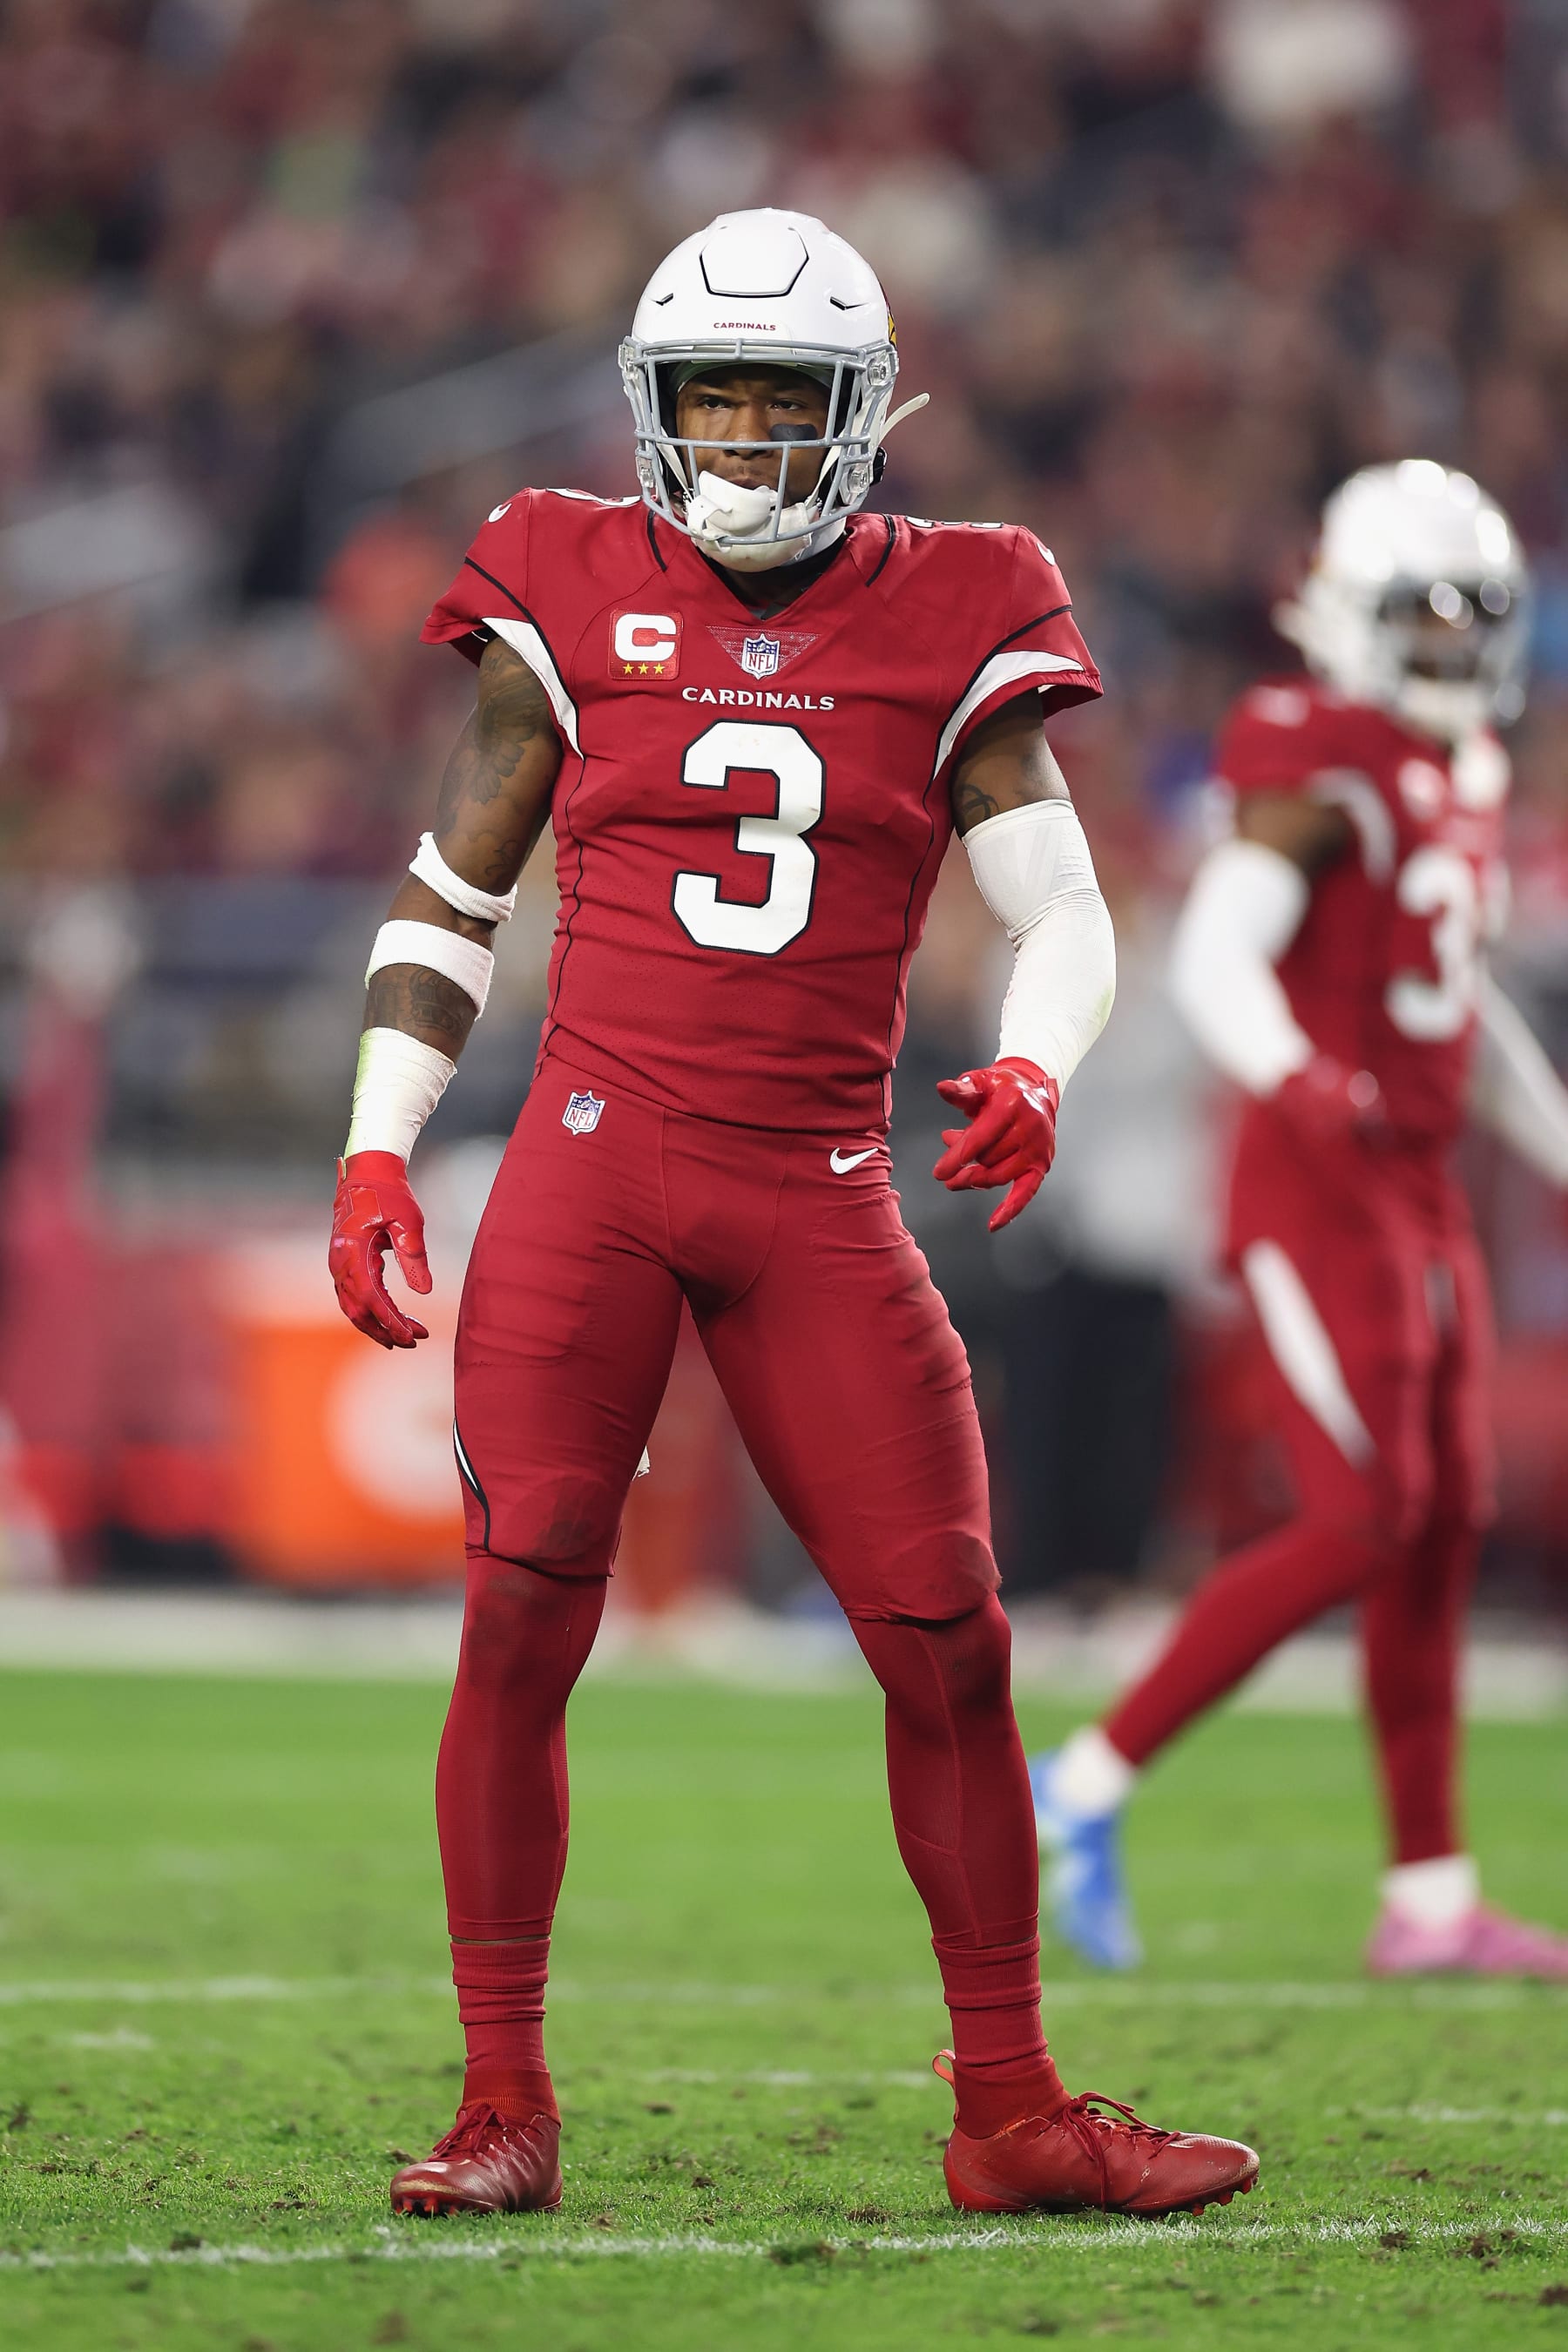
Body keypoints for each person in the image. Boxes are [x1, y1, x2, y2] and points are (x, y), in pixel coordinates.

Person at [328, 209, 1257, 2219]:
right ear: (653, 412)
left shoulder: (966, 604)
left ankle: (1009, 2113)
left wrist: (1036, 1064)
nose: (745, 445)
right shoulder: (565, 578)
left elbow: (1071, 911)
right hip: (597, 1156)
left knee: (953, 1641)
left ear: (864, 417)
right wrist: (378, 1140)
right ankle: (505, 2104)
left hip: (823, 1184)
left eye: (785, 406)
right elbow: (449, 896)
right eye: (713, 403)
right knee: (523, 1609)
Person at [1033, 462, 1568, 1979]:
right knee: (1356, 1516)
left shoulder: (1452, 771)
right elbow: (1216, 960)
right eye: (1428, 612)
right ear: (1349, 611)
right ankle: (1079, 1784)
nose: (1456, 642)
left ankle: (1432, 1898)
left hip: (1413, 1200)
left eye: (1479, 615)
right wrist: (1309, 1085)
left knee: (1438, 1528)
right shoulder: (1316, 748)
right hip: (1317, 1194)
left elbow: (1466, 1018)